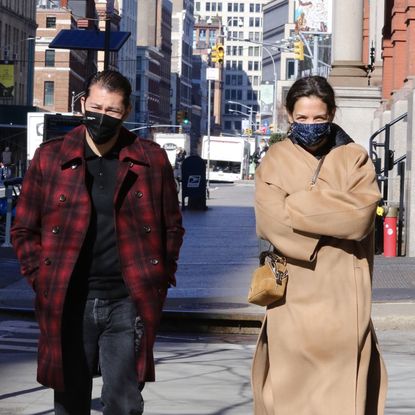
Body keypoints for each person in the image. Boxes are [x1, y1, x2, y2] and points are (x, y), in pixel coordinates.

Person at [11, 70, 185, 415]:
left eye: (113, 111)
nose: (102, 117)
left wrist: (158, 278)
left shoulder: (150, 159)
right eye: (96, 107)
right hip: (70, 299)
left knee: (125, 404)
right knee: (71, 402)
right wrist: (41, 278)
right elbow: (24, 229)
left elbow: (172, 227)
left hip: (126, 301)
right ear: (82, 104)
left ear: (127, 112)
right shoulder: (50, 157)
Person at [252, 76, 387, 415]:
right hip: (291, 295)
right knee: (287, 392)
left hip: (344, 293)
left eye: (318, 118)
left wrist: (295, 204)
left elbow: (358, 218)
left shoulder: (354, 158)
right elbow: (270, 222)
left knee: (340, 395)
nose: (310, 126)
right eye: (302, 118)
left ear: (332, 115)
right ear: (289, 117)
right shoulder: (275, 158)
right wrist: (330, 211)